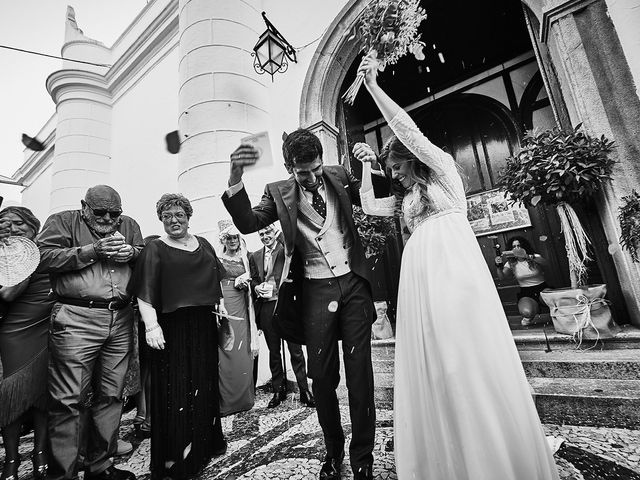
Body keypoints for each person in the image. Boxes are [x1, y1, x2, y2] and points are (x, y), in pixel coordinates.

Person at [354, 53, 560, 479]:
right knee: (437, 353)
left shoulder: (444, 171)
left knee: (463, 346)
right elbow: (371, 205)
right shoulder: (408, 197)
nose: (397, 176)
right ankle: (450, 445)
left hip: (453, 263)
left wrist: (374, 87)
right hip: (421, 273)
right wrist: (365, 167)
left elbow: (407, 131)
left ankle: (488, 444)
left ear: (412, 157)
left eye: (397, 167)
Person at [222, 127, 387, 480]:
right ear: (288, 168)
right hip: (314, 290)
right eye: (302, 173)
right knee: (322, 378)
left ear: (322, 161)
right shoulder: (277, 193)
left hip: (353, 286)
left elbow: (375, 201)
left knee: (360, 376)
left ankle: (363, 458)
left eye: (315, 168)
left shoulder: (340, 175)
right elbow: (249, 223)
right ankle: (333, 451)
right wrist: (235, 176)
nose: (311, 178)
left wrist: (372, 166)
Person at [36, 185, 143, 480]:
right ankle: (63, 474)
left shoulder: (130, 225)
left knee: (112, 395)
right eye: (100, 212)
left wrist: (132, 253)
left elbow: (145, 257)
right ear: (84, 206)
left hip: (120, 317)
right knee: (67, 399)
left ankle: (100, 467)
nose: (109, 218)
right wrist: (91, 251)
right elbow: (42, 258)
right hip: (75, 317)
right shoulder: (62, 221)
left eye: (114, 213)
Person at [128, 194, 227, 480]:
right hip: (172, 327)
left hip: (204, 324)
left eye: (179, 214)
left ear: (188, 215)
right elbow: (144, 293)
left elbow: (214, 280)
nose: (174, 220)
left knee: (204, 382)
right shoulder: (154, 249)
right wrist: (151, 326)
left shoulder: (204, 244)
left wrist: (218, 309)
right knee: (177, 388)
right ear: (160, 218)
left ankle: (206, 443)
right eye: (167, 215)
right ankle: (176, 454)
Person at [0, 207, 55, 480]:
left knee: (42, 395)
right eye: (5, 223)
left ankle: (40, 453)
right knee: (11, 396)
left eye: (19, 223)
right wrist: (22, 261)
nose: (12, 228)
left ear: (34, 226)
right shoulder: (3, 257)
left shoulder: (48, 252)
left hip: (47, 330)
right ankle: (11, 458)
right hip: (14, 332)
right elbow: (8, 295)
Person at [248, 224, 315, 409]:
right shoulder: (255, 256)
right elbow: (254, 278)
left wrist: (278, 232)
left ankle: (304, 390)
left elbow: (294, 259)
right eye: (261, 234)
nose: (265, 236)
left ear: (274, 232)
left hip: (286, 305)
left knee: (296, 351)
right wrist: (256, 287)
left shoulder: (285, 249)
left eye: (268, 232)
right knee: (274, 351)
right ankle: (278, 389)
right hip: (268, 308)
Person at [217, 224, 258, 416]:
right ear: (223, 240)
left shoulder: (246, 258)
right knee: (226, 348)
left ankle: (244, 399)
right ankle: (227, 402)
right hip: (225, 305)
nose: (232, 241)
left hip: (241, 305)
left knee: (243, 350)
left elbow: (255, 278)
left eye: (235, 237)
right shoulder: (217, 259)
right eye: (229, 238)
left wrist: (245, 284)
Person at [132, 234, 160, 439]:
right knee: (151, 370)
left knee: (145, 371)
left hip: (140, 325)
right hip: (150, 326)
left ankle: (142, 415)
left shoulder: (138, 269)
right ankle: (149, 418)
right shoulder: (153, 271)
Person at [496, 236, 549, 326]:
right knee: (527, 312)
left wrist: (527, 256)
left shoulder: (534, 256)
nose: (517, 248)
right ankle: (531, 313)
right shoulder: (510, 263)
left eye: (519, 245)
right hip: (526, 292)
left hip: (542, 288)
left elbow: (545, 263)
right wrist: (498, 266)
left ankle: (556, 316)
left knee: (551, 299)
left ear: (524, 247)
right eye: (514, 246)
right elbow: (502, 277)